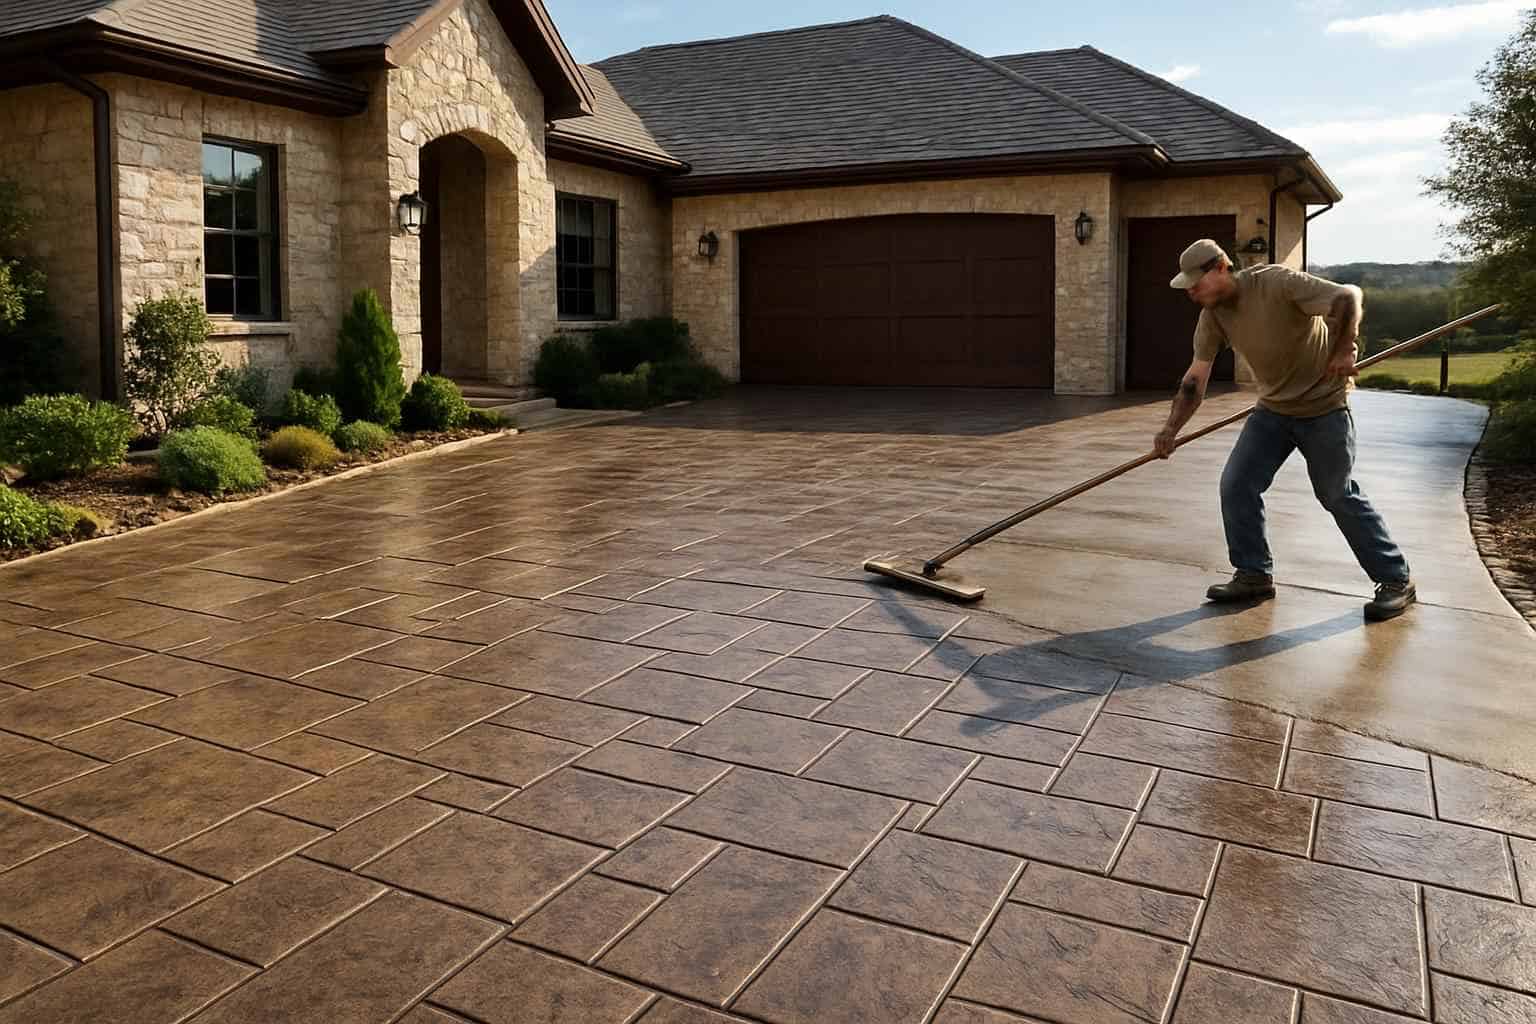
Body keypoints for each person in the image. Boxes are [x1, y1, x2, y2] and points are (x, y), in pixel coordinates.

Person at [1153, 239, 1416, 621]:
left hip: (1324, 408)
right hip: (1273, 411)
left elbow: (1348, 296)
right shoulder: (1213, 316)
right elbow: (1196, 379)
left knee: (1336, 494)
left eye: (1196, 282)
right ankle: (1253, 574)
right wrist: (1170, 430)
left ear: (1221, 267)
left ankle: (1396, 579)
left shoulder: (1275, 283)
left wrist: (1345, 348)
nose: (1191, 291)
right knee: (1237, 484)